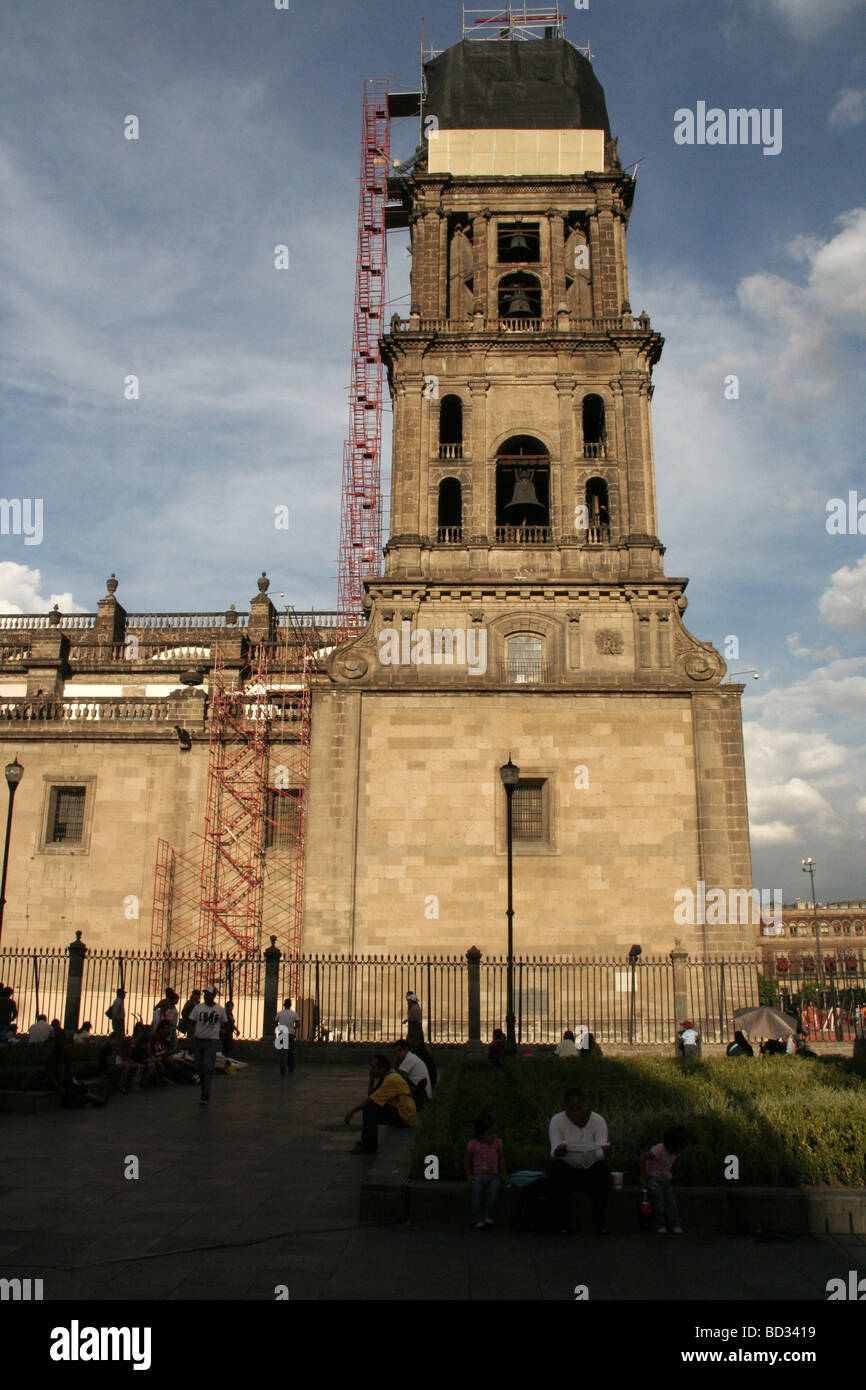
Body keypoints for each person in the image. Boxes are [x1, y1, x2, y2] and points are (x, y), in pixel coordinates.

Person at [548, 1089, 612, 1235]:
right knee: (556, 1170)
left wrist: (605, 1153)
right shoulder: (557, 1121)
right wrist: (559, 1152)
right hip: (568, 1169)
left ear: (586, 1106)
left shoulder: (598, 1121)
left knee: (603, 1171)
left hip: (591, 1168)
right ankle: (564, 1222)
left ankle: (599, 1222)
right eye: (571, 1109)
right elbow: (553, 1151)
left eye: (579, 1109)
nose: (576, 1113)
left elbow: (600, 1150)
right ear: (565, 1108)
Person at [344, 1053, 417, 1154]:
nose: (372, 1069)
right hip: (402, 1111)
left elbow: (371, 1100)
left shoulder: (391, 1079)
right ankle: (367, 1141)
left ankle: (369, 1145)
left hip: (405, 1115)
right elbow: (372, 1096)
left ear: (382, 1068)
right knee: (370, 1108)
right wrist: (371, 1080)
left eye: (374, 1067)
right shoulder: (387, 1076)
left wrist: (352, 1111)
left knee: (369, 1109)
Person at [639, 1125, 689, 1234]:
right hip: (653, 1178)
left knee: (671, 1201)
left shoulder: (675, 1151)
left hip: (665, 1179)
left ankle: (674, 1223)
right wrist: (643, 1176)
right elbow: (643, 1157)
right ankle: (659, 1224)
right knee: (658, 1200)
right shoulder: (659, 1151)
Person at [465, 1113, 509, 1229]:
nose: (493, 1136)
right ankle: (477, 1217)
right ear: (481, 1134)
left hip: (493, 1176)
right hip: (478, 1176)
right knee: (476, 1194)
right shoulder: (473, 1145)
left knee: (492, 1194)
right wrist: (469, 1174)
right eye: (490, 1134)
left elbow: (501, 1159)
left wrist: (503, 1174)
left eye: (495, 1133)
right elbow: (468, 1160)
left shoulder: (497, 1143)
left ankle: (488, 1215)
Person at [188, 986, 227, 1105]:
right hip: (199, 1040)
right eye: (205, 994)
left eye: (208, 994)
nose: (206, 996)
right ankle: (203, 1089)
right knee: (199, 1066)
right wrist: (191, 1038)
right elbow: (192, 1023)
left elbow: (225, 1023)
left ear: (213, 996)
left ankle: (206, 1092)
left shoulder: (219, 1010)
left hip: (211, 1041)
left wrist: (220, 1031)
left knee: (208, 1067)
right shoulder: (198, 1008)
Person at [393, 1039, 431, 1108]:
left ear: (406, 1049)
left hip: (422, 1094)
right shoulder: (411, 1057)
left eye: (400, 1050)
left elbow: (397, 1076)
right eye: (396, 1052)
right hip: (420, 1090)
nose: (398, 1054)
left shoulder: (409, 1059)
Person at [275, 997, 298, 1076]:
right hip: (291, 1034)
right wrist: (293, 1028)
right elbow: (298, 1023)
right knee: (290, 1052)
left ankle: (282, 1068)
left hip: (282, 1034)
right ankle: (291, 1068)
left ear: (284, 1005)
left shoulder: (280, 1013)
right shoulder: (294, 1014)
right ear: (290, 1005)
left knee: (282, 1052)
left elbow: (275, 1022)